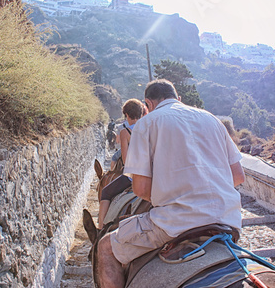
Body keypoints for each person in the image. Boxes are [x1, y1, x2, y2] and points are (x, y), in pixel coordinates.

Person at [96, 79, 246, 288]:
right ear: (179, 98)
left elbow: (140, 189)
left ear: (147, 103)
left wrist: (172, 194)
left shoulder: (147, 124)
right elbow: (238, 176)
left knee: (105, 248)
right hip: (227, 220)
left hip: (176, 222)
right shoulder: (212, 119)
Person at [98, 98, 145, 229]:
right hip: (152, 173)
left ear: (126, 114)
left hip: (133, 174)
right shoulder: (148, 128)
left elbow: (125, 160)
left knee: (106, 192)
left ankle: (101, 228)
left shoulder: (125, 132)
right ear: (141, 113)